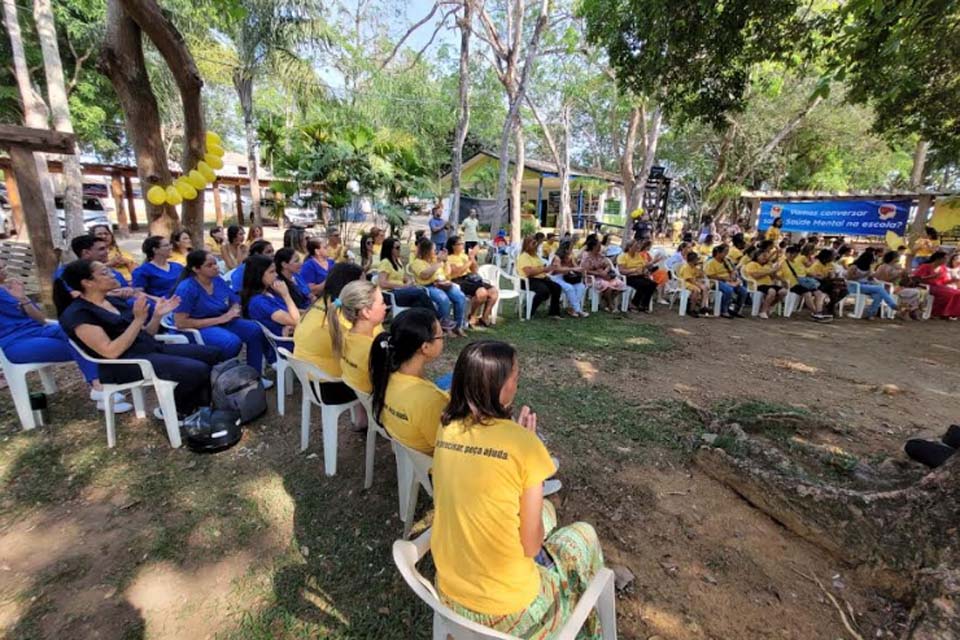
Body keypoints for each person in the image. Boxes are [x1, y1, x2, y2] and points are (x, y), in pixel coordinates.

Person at [432, 340, 604, 638]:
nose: (518, 379)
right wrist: (528, 447)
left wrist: (521, 444)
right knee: (583, 534)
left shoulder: (446, 427)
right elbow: (531, 546)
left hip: (448, 593)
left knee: (547, 511)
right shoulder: (523, 445)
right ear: (500, 385)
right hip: (511, 609)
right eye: (515, 374)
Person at [56, 260, 223, 418]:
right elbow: (111, 351)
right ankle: (174, 411)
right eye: (105, 273)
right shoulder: (78, 314)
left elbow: (146, 333)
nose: (113, 275)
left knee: (213, 354)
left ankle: (202, 407)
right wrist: (137, 320)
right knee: (197, 369)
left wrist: (157, 316)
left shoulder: (113, 301)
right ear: (87, 282)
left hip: (149, 348)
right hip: (125, 364)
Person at [2, 260, 133, 414]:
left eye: (3, 266)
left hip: (40, 329)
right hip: (13, 341)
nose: (4, 270)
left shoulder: (10, 288)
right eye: (0, 268)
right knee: (81, 344)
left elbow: (40, 320)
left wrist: (22, 298)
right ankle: (99, 387)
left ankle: (106, 381)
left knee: (81, 334)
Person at [172, 250, 271, 384]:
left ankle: (254, 376)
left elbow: (235, 300)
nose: (216, 267)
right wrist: (222, 319)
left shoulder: (217, 280)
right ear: (196, 269)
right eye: (210, 265)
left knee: (254, 329)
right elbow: (181, 322)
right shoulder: (187, 288)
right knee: (231, 342)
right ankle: (223, 379)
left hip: (223, 320)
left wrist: (234, 310)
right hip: (199, 327)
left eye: (216, 263)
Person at [368, 307, 448, 454]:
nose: (443, 339)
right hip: (432, 460)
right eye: (441, 336)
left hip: (408, 436)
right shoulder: (431, 401)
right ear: (425, 347)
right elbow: (446, 448)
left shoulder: (386, 376)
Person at [292, 263, 365, 405]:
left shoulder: (321, 303)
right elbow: (362, 354)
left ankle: (361, 418)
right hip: (330, 387)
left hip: (309, 382)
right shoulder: (342, 317)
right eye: (363, 282)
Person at [329, 279, 387, 394]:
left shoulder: (345, 336)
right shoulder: (373, 350)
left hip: (359, 396)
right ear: (366, 312)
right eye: (382, 303)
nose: (386, 307)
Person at [410, 237, 467, 336]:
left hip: (442, 283)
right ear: (426, 250)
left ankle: (458, 326)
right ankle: (445, 328)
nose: (435, 251)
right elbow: (424, 275)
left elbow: (447, 273)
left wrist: (445, 261)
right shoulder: (417, 262)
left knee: (460, 297)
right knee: (443, 300)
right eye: (433, 249)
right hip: (428, 286)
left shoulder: (435, 260)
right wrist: (439, 262)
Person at [241, 254, 301, 338]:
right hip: (286, 343)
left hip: (294, 333)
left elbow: (292, 313)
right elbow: (296, 320)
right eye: (271, 272)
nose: (276, 275)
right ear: (259, 274)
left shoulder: (271, 292)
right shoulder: (259, 302)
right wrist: (286, 295)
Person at [445, 235, 498, 327]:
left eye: (462, 243)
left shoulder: (464, 256)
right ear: (453, 246)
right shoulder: (449, 258)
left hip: (471, 278)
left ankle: (484, 317)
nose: (462, 246)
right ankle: (472, 316)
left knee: (493, 292)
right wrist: (470, 260)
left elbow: (475, 270)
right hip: (458, 280)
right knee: (482, 293)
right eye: (459, 244)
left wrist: (472, 259)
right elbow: (457, 272)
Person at [375, 237, 434, 311]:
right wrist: (403, 286)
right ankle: (437, 318)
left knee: (418, 302)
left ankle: (423, 321)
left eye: (400, 247)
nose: (399, 249)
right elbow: (382, 283)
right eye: (397, 247)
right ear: (389, 249)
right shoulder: (385, 262)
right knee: (420, 293)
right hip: (390, 294)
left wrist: (409, 282)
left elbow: (405, 277)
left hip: (400, 291)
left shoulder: (398, 261)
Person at [779, 245, 830, 321]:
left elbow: (806, 271)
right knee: (807, 293)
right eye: (792, 254)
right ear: (787, 253)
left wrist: (816, 275)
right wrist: (784, 282)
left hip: (803, 282)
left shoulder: (797, 262)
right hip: (793, 284)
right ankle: (816, 313)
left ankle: (819, 311)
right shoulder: (782, 263)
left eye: (795, 254)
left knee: (819, 293)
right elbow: (778, 275)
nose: (793, 256)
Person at [517, 235, 563, 319]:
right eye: (533, 243)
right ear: (527, 245)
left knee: (557, 287)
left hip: (540, 278)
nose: (535, 245)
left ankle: (554, 313)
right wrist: (544, 269)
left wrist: (551, 266)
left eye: (536, 243)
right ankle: (528, 309)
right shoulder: (524, 256)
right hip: (527, 280)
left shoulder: (535, 256)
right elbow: (528, 272)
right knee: (544, 290)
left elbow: (541, 268)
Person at [580, 235, 627, 312]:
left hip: (604, 275)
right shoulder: (586, 256)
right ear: (593, 247)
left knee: (620, 284)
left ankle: (605, 301)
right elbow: (585, 270)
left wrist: (605, 271)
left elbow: (608, 265)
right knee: (607, 286)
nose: (600, 248)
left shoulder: (600, 255)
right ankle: (610, 304)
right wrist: (598, 273)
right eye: (598, 246)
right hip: (592, 278)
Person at [846, 252, 899, 319]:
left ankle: (870, 313)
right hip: (855, 286)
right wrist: (863, 275)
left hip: (866, 285)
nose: (873, 261)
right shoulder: (854, 267)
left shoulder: (868, 268)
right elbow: (848, 278)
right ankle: (891, 304)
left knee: (878, 295)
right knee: (879, 289)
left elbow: (869, 278)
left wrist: (871, 276)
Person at [875, 250, 922, 319]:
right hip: (887, 288)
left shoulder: (897, 266)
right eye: (898, 256)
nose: (899, 258)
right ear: (894, 258)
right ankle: (906, 311)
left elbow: (904, 280)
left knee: (915, 293)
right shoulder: (884, 267)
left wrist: (905, 275)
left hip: (896, 287)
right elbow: (885, 280)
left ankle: (907, 311)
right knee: (914, 293)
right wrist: (898, 274)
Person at [704, 244, 748, 318]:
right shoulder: (711, 262)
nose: (726, 254)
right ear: (718, 252)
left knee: (743, 291)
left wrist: (733, 275)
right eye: (725, 252)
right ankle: (724, 310)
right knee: (728, 290)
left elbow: (732, 270)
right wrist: (724, 279)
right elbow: (710, 275)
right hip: (717, 282)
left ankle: (736, 310)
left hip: (729, 280)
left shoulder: (726, 261)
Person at [742, 249, 787, 319]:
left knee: (783, 291)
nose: (765, 258)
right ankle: (763, 311)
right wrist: (769, 271)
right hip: (758, 284)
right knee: (772, 291)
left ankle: (769, 305)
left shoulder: (767, 265)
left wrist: (777, 273)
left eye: (766, 256)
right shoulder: (752, 264)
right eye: (763, 256)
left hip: (769, 284)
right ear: (757, 256)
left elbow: (773, 276)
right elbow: (756, 276)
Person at [914, 251, 960, 319]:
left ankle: (950, 313)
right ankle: (938, 313)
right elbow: (916, 279)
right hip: (927, 286)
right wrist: (930, 277)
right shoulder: (925, 266)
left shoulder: (943, 268)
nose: (946, 260)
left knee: (957, 293)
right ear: (938, 259)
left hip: (940, 287)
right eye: (945, 258)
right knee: (948, 294)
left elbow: (944, 282)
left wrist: (952, 280)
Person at [548, 240, 588, 318]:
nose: (572, 249)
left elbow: (575, 266)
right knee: (569, 288)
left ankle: (572, 309)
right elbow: (558, 269)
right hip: (556, 277)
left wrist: (581, 269)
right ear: (566, 249)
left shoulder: (570, 256)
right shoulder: (557, 257)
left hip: (567, 277)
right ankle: (578, 310)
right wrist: (571, 269)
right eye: (571, 247)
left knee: (581, 287)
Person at [618, 239, 658, 312]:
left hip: (640, 276)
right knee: (643, 284)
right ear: (630, 247)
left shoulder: (638, 255)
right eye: (635, 246)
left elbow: (643, 265)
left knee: (653, 284)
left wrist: (646, 270)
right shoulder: (623, 256)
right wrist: (634, 270)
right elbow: (621, 271)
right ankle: (634, 304)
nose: (638, 247)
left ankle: (644, 304)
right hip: (629, 277)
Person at [808, 249, 847, 317]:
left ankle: (830, 306)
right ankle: (830, 308)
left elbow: (832, 275)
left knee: (844, 291)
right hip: (818, 284)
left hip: (827, 283)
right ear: (825, 257)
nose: (832, 258)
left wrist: (833, 275)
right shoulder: (816, 265)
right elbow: (816, 277)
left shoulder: (830, 264)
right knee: (834, 290)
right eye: (831, 256)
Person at [678, 251, 711, 317]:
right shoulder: (686, 267)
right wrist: (699, 285)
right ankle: (691, 309)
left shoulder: (694, 267)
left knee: (705, 288)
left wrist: (701, 267)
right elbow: (689, 279)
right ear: (693, 260)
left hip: (692, 283)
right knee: (696, 290)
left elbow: (701, 275)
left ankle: (703, 306)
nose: (698, 261)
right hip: (685, 283)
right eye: (697, 259)